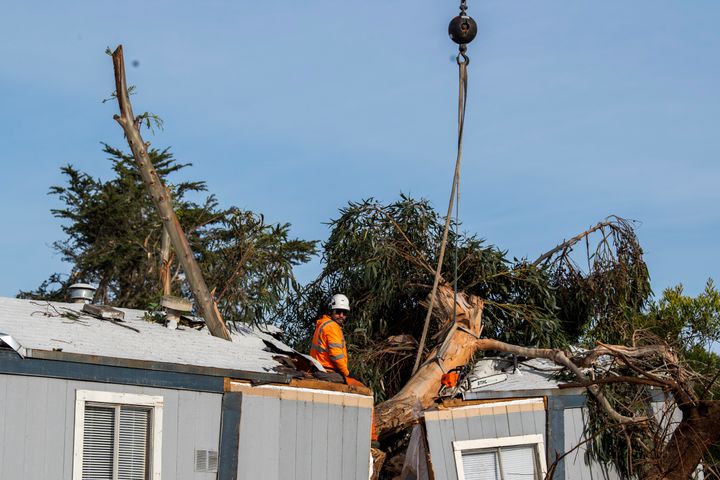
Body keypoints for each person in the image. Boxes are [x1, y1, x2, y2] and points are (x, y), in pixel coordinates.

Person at [310, 293, 378, 442]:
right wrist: (347, 373)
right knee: (363, 390)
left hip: (320, 370)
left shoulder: (323, 324)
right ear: (331, 311)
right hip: (326, 372)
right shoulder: (332, 327)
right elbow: (336, 356)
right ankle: (371, 438)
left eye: (344, 313)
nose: (341, 315)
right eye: (338, 312)